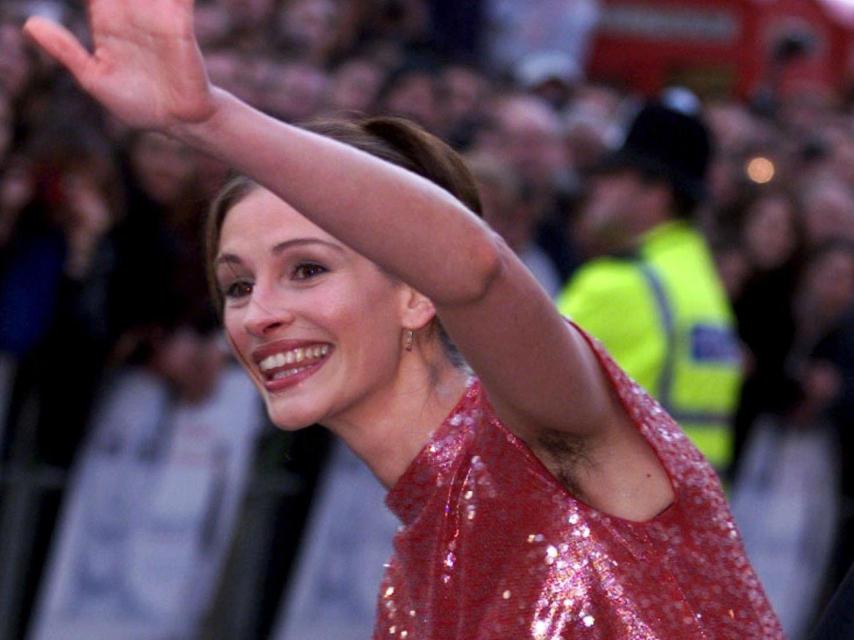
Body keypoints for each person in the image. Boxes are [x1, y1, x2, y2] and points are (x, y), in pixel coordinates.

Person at [22, 3, 782, 638]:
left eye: (307, 269)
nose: (261, 314)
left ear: (418, 292)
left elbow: (477, 269)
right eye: (236, 284)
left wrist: (211, 118)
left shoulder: (541, 448)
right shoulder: (409, 576)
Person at [557, 93, 743, 476]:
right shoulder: (698, 280)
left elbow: (512, 398)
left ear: (656, 191)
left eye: (614, 175)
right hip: (680, 522)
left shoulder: (618, 283)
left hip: (607, 520)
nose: (597, 187)